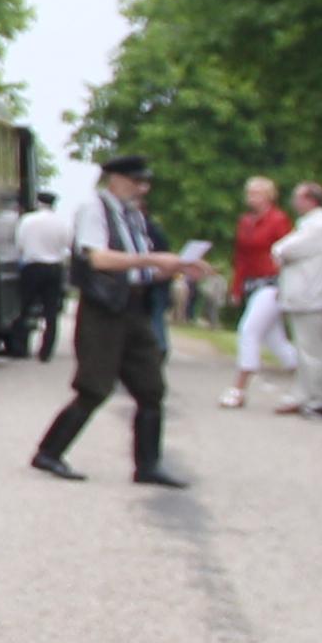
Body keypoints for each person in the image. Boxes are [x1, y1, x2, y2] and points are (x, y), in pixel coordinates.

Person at [34, 154, 187, 487]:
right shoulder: (94, 209)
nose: (142, 189)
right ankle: (49, 451)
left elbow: (136, 265)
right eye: (136, 182)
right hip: (103, 308)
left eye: (145, 182)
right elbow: (98, 258)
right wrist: (150, 259)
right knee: (94, 386)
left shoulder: (132, 216)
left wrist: (170, 268)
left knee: (151, 387)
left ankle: (148, 465)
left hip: (133, 305)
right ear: (116, 179)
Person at [266, 180, 322, 415]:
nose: (294, 202)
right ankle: (304, 393)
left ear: (311, 200)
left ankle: (316, 397)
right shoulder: (312, 223)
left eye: (298, 197)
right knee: (304, 349)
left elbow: (285, 249)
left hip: (312, 295)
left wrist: (279, 252)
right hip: (305, 295)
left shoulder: (319, 224)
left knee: (312, 351)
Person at [220, 175, 287, 408]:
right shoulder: (245, 222)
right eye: (249, 193)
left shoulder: (278, 219)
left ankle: (239, 388)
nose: (251, 197)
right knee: (276, 342)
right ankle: (311, 380)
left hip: (272, 283)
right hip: (252, 283)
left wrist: (284, 284)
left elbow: (286, 253)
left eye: (257, 193)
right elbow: (241, 257)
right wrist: (236, 287)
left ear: (269, 196)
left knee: (248, 331)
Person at [15, 188, 72, 360]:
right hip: (54, 268)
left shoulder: (27, 220)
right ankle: (46, 351)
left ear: (38, 203)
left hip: (32, 267)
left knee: (25, 308)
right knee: (51, 311)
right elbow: (68, 245)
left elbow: (20, 244)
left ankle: (20, 347)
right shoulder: (62, 223)